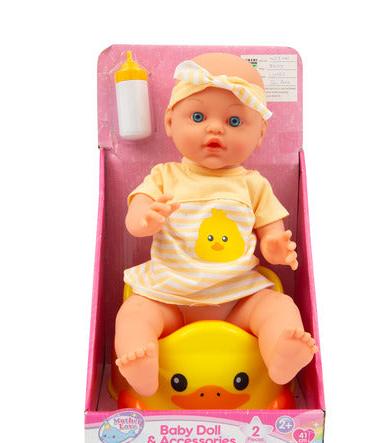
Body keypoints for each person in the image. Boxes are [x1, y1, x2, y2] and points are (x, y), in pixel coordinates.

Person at [115, 53, 318, 397]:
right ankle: (140, 368)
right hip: (170, 297)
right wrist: (145, 220)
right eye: (197, 116)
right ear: (170, 122)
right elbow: (136, 215)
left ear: (260, 133)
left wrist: (275, 247)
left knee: (279, 307)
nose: (215, 129)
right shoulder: (164, 176)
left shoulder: (254, 185)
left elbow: (272, 232)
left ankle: (281, 356)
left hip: (237, 298)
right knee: (134, 314)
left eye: (235, 121)